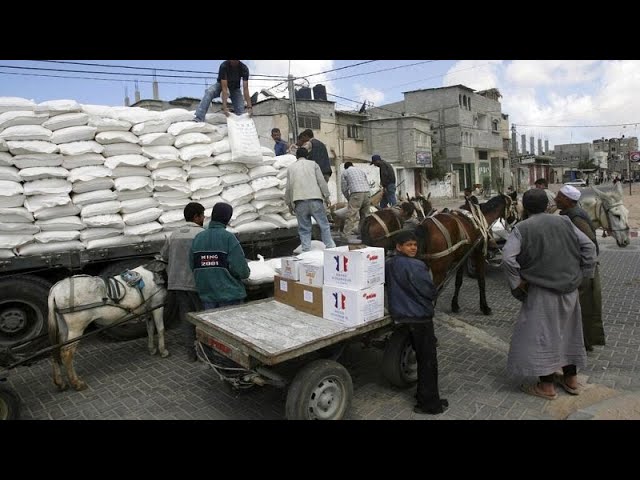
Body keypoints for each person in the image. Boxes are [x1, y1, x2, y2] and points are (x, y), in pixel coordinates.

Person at [501, 189, 597, 400]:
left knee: (543, 336)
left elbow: (508, 259)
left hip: (541, 293)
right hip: (570, 291)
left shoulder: (522, 228)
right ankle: (571, 380)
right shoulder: (565, 222)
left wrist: (516, 283)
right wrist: (584, 276)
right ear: (547, 205)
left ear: (525, 208)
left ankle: (546, 387)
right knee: (570, 333)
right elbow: (589, 247)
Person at [385, 230, 448, 415]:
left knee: (422, 358)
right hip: (419, 317)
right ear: (399, 247)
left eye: (414, 244)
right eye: (408, 245)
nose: (413, 248)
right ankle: (429, 404)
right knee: (428, 362)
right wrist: (434, 291)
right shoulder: (417, 266)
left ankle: (424, 396)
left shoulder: (389, 264)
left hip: (401, 315)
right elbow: (429, 291)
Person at [555, 184, 605, 352]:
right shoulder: (571, 213)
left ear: (568, 200)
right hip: (582, 268)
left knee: (582, 306)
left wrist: (585, 271)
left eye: (559, 196)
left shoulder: (575, 217)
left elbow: (590, 243)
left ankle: (583, 342)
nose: (556, 199)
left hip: (583, 270)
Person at [160, 202, 205, 362]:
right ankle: (205, 351)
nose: (204, 218)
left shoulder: (174, 234)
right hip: (196, 283)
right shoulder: (201, 234)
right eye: (202, 215)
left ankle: (190, 353)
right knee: (203, 317)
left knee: (185, 317)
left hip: (177, 283)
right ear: (196, 217)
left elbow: (164, 256)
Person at [190, 202, 251, 310]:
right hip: (230, 296)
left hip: (207, 297)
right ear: (227, 218)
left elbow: (192, 265)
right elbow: (242, 271)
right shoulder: (229, 238)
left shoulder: (198, 238)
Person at [284, 147, 336, 252]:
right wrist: (326, 197)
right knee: (324, 225)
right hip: (315, 200)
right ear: (307, 155)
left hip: (299, 202)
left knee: (304, 229)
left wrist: (289, 204)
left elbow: (289, 187)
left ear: (296, 157)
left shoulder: (291, 168)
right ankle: (330, 247)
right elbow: (321, 181)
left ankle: (306, 250)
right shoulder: (313, 164)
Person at [340, 162, 371, 239]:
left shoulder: (345, 172)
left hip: (356, 193)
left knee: (351, 215)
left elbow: (344, 188)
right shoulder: (361, 171)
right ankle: (364, 234)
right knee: (365, 215)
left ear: (345, 167)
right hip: (367, 193)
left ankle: (345, 235)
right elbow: (366, 182)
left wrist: (348, 198)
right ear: (352, 165)